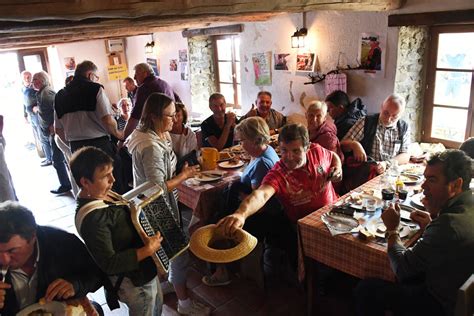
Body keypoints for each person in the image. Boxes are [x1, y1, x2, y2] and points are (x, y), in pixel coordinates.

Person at [356, 149, 474, 316]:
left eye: (432, 180)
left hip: (440, 303)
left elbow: (403, 270)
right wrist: (431, 225)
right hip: (454, 283)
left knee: (366, 289)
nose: (423, 186)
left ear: (456, 185)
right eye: (425, 178)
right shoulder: (468, 205)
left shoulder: (448, 225)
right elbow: (448, 243)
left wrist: (392, 230)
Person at [126, 93, 210, 315]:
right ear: (153, 116)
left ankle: (170, 284)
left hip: (154, 203)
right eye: (170, 115)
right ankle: (185, 304)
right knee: (179, 252)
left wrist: (178, 172)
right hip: (155, 207)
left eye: (175, 115)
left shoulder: (152, 133)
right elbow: (156, 189)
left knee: (167, 252)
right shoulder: (150, 145)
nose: (174, 119)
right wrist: (185, 176)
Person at [218, 124, 342, 267]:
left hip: (334, 213)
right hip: (306, 229)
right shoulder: (278, 173)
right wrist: (240, 214)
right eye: (284, 150)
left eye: (296, 151)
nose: (289, 157)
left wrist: (337, 169)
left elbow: (333, 156)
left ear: (307, 148)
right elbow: (261, 195)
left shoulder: (317, 151)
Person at [70, 146, 163, 315]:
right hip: (134, 281)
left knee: (156, 306)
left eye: (112, 172)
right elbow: (109, 263)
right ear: (85, 182)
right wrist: (148, 249)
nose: (113, 179)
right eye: (105, 176)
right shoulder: (93, 219)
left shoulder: (102, 193)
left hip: (144, 270)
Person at [202, 116, 281, 286]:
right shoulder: (266, 150)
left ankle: (222, 272)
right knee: (216, 211)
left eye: (242, 140)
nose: (240, 144)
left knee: (217, 226)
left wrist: (242, 199)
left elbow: (260, 206)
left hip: (260, 219)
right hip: (255, 212)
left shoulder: (263, 163)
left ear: (254, 140)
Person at [0, 201, 103, 315]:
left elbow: (96, 273)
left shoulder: (62, 243)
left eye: (12, 251)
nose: (4, 260)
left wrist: (75, 285)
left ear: (33, 237)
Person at [54, 60, 125, 193]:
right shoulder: (95, 89)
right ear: (90, 75)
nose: (96, 80)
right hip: (99, 146)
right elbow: (107, 120)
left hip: (76, 147)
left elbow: (58, 130)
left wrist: (73, 145)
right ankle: (116, 212)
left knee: (88, 188)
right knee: (111, 185)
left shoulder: (59, 96)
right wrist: (119, 134)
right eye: (96, 77)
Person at [341, 93, 410, 175]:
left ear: (400, 115)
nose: (388, 119)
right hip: (366, 173)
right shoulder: (366, 122)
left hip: (390, 173)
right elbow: (341, 145)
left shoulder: (403, 127)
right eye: (386, 113)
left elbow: (405, 155)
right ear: (381, 107)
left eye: (394, 116)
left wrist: (386, 164)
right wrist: (354, 144)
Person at [32, 71, 72, 194]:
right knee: (61, 159)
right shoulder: (41, 93)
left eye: (35, 80)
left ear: (41, 81)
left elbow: (59, 108)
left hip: (55, 131)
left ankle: (66, 184)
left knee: (57, 160)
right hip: (50, 132)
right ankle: (67, 183)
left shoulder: (47, 94)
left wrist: (54, 124)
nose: (33, 82)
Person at [121, 63, 181, 143]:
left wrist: (123, 138)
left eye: (136, 74)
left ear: (145, 73)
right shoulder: (164, 83)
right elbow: (179, 103)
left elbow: (135, 117)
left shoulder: (144, 88)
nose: (134, 78)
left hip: (156, 133)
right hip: (171, 130)